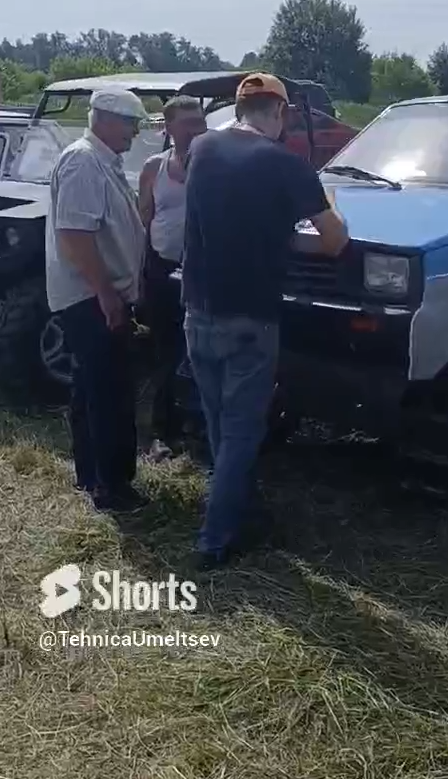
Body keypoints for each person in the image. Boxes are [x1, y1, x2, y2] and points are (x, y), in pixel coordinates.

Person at [182, 73, 350, 568]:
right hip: (251, 318)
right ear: (280, 113)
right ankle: (216, 540)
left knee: (219, 425)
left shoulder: (202, 148)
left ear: (238, 108)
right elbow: (335, 241)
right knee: (240, 432)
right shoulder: (286, 164)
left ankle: (238, 509)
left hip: (197, 311)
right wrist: (331, 204)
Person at [46, 87, 149, 511]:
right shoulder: (83, 162)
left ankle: (91, 475)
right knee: (110, 392)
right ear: (105, 119)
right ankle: (113, 487)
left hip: (96, 293)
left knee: (91, 387)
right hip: (91, 296)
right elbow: (75, 235)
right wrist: (107, 294)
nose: (134, 133)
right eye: (130, 124)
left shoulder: (101, 161)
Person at [138, 95, 207, 456]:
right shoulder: (154, 168)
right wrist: (138, 274)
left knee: (200, 352)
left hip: (202, 274)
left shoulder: (213, 167)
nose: (197, 129)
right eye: (188, 123)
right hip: (162, 271)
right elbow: (144, 221)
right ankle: (162, 431)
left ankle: (199, 425)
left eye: (200, 121)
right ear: (168, 128)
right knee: (166, 352)